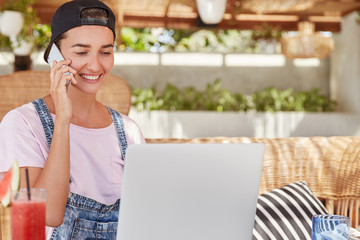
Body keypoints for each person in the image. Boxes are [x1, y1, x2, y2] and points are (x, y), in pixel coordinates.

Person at [0, 0, 145, 239]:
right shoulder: (20, 124)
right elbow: (45, 216)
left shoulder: (128, 131)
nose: (95, 64)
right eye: (81, 52)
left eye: (105, 52)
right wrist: (63, 118)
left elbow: (143, 217)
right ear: (54, 56)